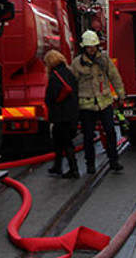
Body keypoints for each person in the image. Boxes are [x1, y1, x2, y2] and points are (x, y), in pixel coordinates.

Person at [72, 30, 125, 174]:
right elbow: (73, 84)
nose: (92, 49)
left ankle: (114, 160)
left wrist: (121, 96)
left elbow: (115, 77)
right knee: (88, 136)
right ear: (84, 47)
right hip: (86, 106)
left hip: (104, 103)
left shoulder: (104, 60)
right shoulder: (77, 64)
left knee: (110, 132)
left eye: (94, 46)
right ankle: (90, 164)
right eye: (89, 47)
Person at [42, 50, 80, 179]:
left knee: (62, 141)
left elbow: (51, 96)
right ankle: (58, 166)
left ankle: (72, 169)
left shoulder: (54, 76)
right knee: (62, 141)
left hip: (60, 115)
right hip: (72, 113)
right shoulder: (69, 72)